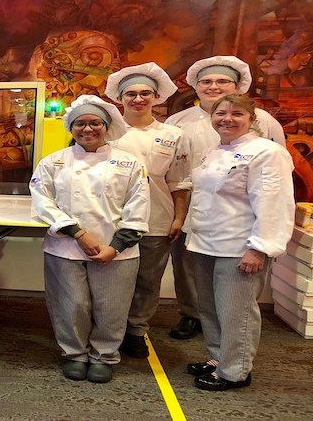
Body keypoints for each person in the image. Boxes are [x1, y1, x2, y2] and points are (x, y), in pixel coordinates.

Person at [165, 56, 286, 340]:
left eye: (222, 81)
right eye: (206, 81)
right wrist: (179, 214)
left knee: (235, 284)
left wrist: (263, 239)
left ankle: (235, 334)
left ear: (238, 86)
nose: (213, 86)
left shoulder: (265, 122)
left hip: (239, 218)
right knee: (189, 268)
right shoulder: (178, 121)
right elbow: (174, 171)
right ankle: (192, 314)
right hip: (194, 210)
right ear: (195, 86)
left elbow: (275, 179)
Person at [30, 95, 150, 383]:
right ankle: (74, 354)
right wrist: (77, 233)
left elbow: (138, 206)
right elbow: (42, 201)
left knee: (112, 306)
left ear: (106, 126)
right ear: (70, 128)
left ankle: (104, 355)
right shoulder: (53, 162)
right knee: (71, 305)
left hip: (116, 251)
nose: (88, 129)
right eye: (80, 123)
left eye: (95, 122)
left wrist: (116, 246)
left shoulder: (130, 163)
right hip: (65, 247)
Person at [185, 94, 294, 391]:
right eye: (221, 113)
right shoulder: (215, 151)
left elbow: (275, 202)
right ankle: (219, 358)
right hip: (206, 243)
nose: (227, 119)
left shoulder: (267, 152)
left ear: (252, 119)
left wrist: (259, 247)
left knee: (237, 313)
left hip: (240, 247)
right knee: (209, 309)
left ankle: (235, 371)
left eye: (236, 114)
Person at [104, 63, 192, 358]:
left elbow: (179, 182)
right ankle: (107, 330)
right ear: (120, 98)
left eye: (145, 93)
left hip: (156, 220)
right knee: (112, 280)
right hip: (112, 220)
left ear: (156, 97)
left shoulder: (172, 135)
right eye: (131, 93)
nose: (138, 99)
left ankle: (135, 331)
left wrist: (179, 217)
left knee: (147, 281)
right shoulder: (107, 133)